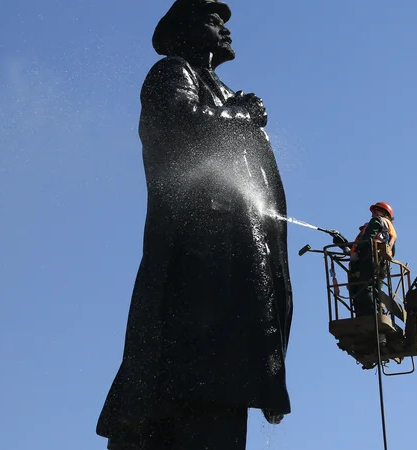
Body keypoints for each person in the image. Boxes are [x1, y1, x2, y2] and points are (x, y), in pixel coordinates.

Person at [95, 1, 293, 449]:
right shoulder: (171, 73)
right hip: (195, 263)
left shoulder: (225, 91)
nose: (225, 30)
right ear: (184, 29)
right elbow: (176, 127)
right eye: (212, 21)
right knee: (188, 375)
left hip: (235, 272)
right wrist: (242, 116)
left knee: (226, 387)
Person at [347, 202, 397, 317]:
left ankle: (369, 314)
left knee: (364, 287)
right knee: (375, 288)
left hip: (369, 259)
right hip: (382, 263)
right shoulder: (390, 229)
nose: (374, 213)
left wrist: (358, 253)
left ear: (384, 213)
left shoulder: (377, 221)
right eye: (374, 210)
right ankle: (377, 312)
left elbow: (367, 239)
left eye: (377, 210)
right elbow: (392, 251)